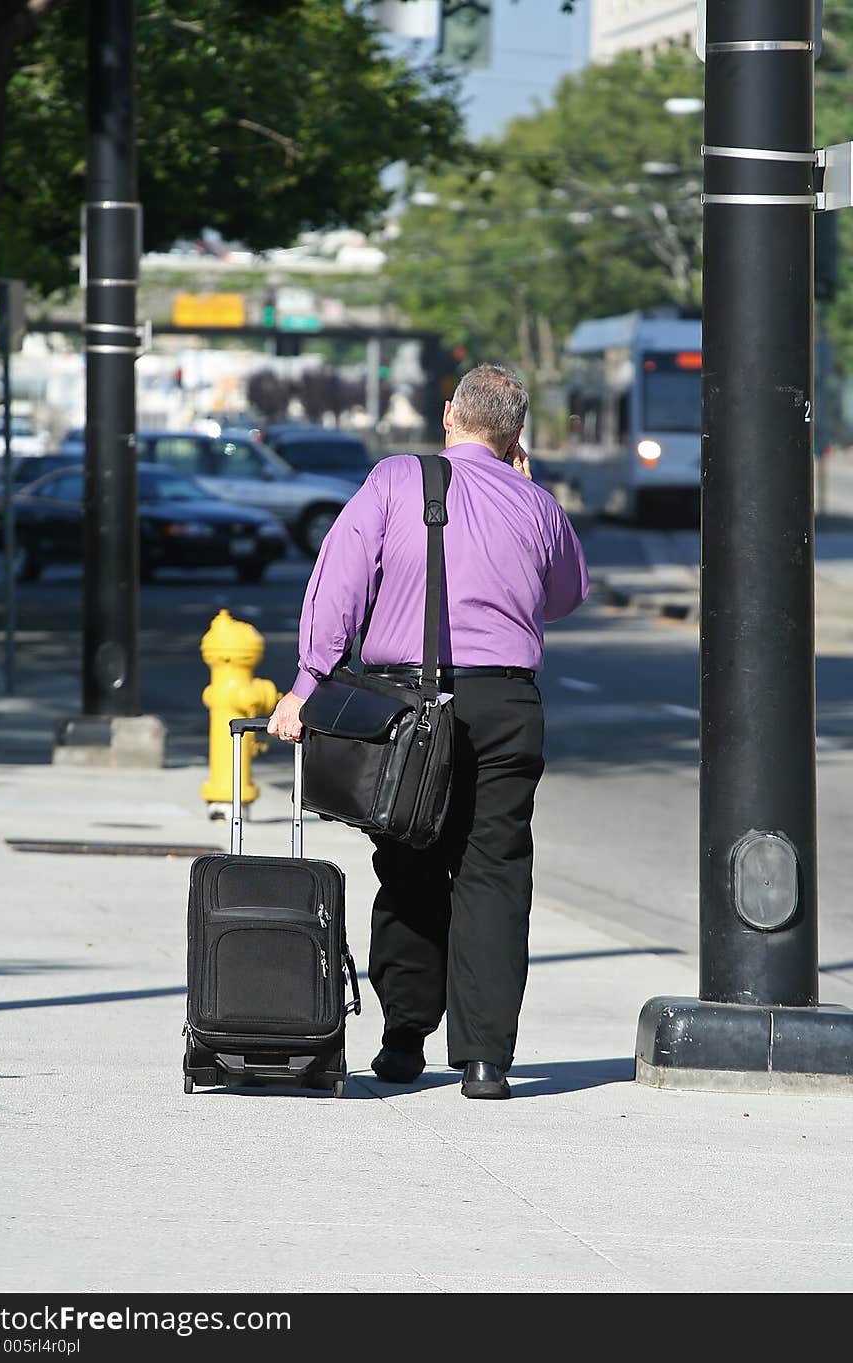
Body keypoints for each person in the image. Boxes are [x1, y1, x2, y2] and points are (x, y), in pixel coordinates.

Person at [268, 363, 589, 1099]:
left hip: (408, 704)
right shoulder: (538, 504)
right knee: (496, 875)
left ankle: (404, 1039)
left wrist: (307, 686)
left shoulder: (393, 481)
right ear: (515, 436)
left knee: (409, 866)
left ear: (448, 415)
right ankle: (486, 1060)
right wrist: (528, 486)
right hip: (506, 708)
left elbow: (338, 585)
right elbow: (566, 594)